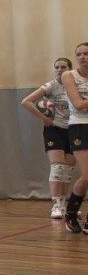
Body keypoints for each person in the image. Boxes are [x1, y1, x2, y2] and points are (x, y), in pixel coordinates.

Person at [21, 57, 74, 219]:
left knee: (68, 169)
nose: (59, 70)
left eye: (63, 67)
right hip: (54, 129)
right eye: (57, 67)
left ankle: (63, 205)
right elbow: (26, 101)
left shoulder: (75, 85)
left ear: (70, 69)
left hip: (73, 129)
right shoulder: (51, 85)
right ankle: (55, 205)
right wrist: (44, 118)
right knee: (58, 166)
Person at [59, 43, 88, 233]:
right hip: (80, 126)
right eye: (79, 54)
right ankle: (70, 214)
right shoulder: (69, 75)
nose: (83, 57)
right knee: (87, 175)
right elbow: (78, 104)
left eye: (86, 53)